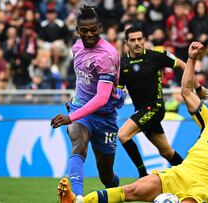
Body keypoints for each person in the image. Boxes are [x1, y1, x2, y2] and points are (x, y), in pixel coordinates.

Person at [57, 41, 208, 203]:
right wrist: (191, 60)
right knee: (132, 190)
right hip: (177, 174)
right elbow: (186, 91)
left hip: (201, 188)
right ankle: (78, 201)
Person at [50, 5, 125, 203]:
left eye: (94, 29)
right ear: (77, 30)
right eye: (84, 30)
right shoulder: (76, 48)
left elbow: (101, 98)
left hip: (104, 115)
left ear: (100, 27)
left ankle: (119, 191)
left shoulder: (107, 56)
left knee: (106, 176)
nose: (90, 34)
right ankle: (77, 198)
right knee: (78, 144)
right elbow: (83, 80)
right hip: (81, 109)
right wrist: (75, 102)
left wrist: (69, 117)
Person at [117, 25, 208, 178]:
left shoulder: (156, 56)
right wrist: (117, 95)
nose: (137, 42)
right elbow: (119, 90)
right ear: (126, 43)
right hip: (141, 111)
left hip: (155, 107)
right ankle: (191, 177)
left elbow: (182, 64)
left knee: (123, 135)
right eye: (133, 40)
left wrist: (198, 87)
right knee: (166, 152)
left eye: (140, 39)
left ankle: (143, 175)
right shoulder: (122, 64)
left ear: (145, 40)